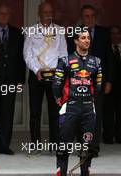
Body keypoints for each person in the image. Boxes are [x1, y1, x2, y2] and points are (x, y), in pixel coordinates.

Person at [53, 30, 102, 176]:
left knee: (87, 145)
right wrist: (61, 101)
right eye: (83, 38)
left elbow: (98, 86)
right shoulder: (65, 60)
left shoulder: (96, 61)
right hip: (70, 108)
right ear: (75, 40)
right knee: (63, 146)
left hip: (88, 108)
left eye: (88, 38)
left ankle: (85, 172)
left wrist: (90, 100)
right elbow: (56, 84)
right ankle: (61, 172)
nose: (86, 40)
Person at [67, 4, 113, 155]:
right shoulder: (73, 33)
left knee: (95, 115)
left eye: (92, 16)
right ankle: (83, 147)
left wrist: (108, 81)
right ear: (81, 18)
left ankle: (93, 148)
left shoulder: (104, 33)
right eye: (86, 16)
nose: (90, 19)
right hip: (79, 81)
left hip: (98, 81)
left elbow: (109, 58)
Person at [23, 2, 67, 150]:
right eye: (45, 12)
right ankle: (36, 144)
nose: (48, 15)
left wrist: (58, 72)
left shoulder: (59, 31)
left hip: (55, 77)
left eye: (50, 12)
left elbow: (63, 54)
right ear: (39, 13)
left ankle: (55, 144)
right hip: (37, 76)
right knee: (35, 112)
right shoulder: (31, 31)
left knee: (55, 112)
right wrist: (37, 70)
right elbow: (27, 54)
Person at [0, 4, 25, 155]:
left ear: (9, 16)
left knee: (8, 113)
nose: (3, 16)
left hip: (11, 80)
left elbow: (21, 59)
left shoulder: (17, 33)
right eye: (0, 14)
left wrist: (21, 80)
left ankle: (4, 145)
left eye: (6, 14)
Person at [102, 25, 121, 144]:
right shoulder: (105, 49)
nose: (115, 36)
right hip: (108, 85)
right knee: (107, 112)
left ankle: (119, 136)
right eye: (112, 33)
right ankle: (108, 137)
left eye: (117, 33)